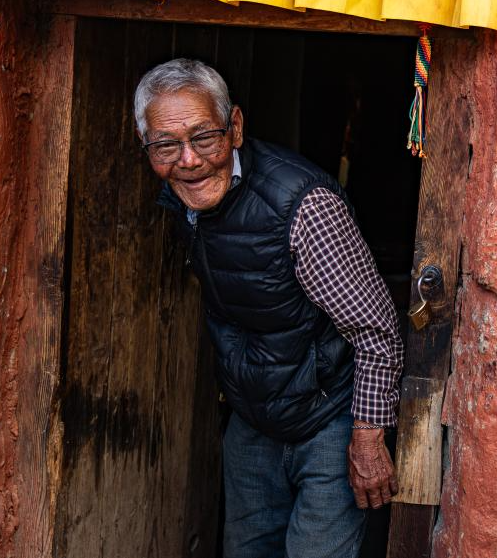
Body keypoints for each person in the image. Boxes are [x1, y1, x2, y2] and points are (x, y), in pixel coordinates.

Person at [133, 58, 404, 558]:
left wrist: (368, 438)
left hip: (329, 421)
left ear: (235, 127)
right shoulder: (182, 197)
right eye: (166, 145)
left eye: (204, 137)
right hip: (254, 421)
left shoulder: (304, 206)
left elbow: (376, 329)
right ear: (147, 145)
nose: (188, 160)